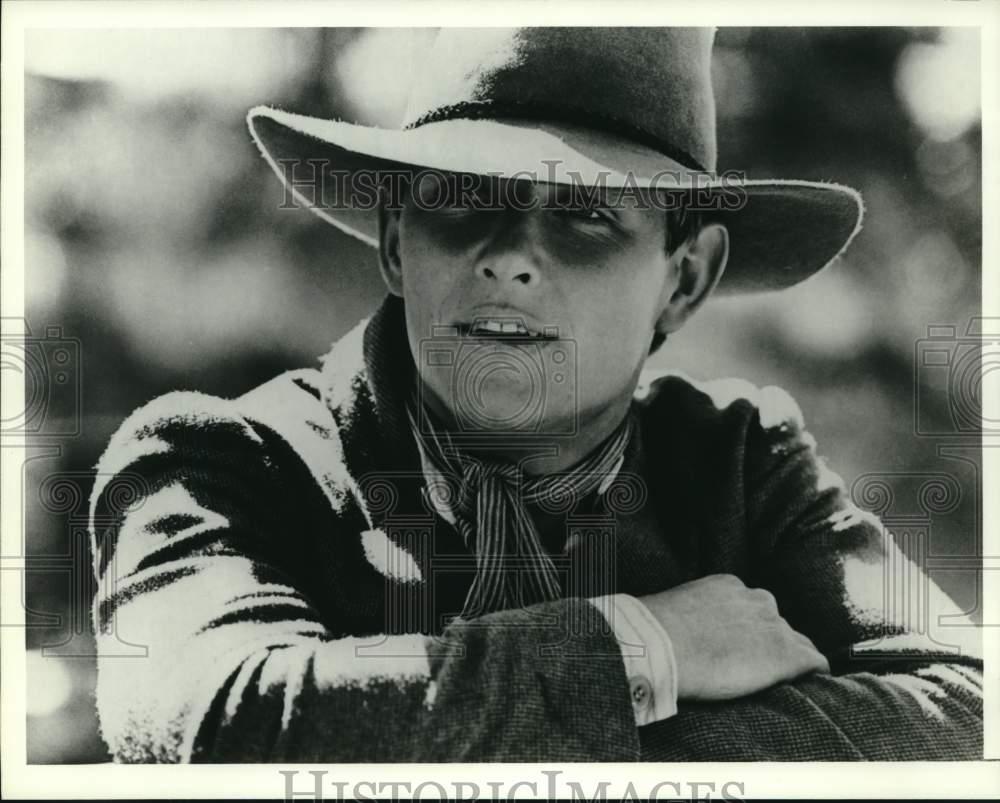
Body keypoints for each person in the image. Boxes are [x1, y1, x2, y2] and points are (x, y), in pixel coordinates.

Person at [88, 28, 982, 762]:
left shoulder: (743, 468)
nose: (511, 254)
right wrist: (643, 647)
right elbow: (216, 723)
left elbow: (966, 714)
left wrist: (426, 730)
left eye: (586, 211)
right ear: (396, 240)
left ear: (683, 281)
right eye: (464, 196)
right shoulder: (214, 463)